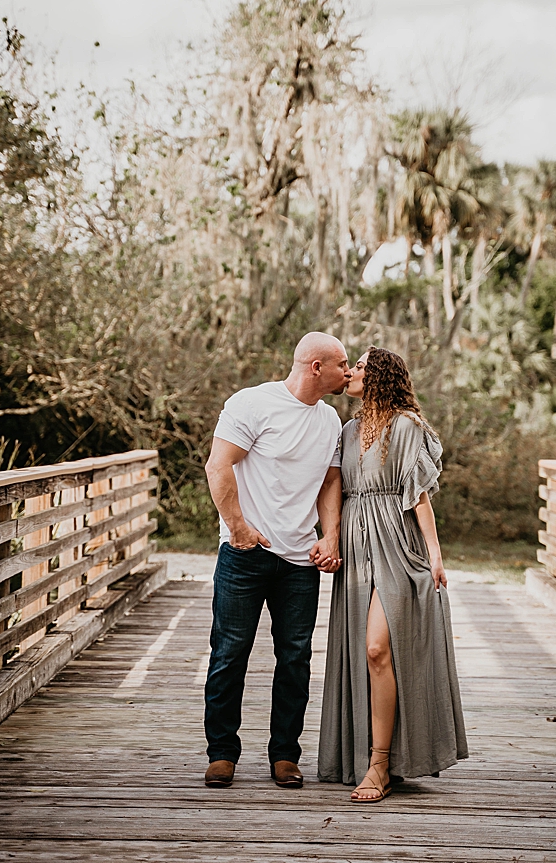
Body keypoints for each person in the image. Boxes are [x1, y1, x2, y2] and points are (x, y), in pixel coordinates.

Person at [318, 346, 467, 802]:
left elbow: (419, 496)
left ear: (379, 375)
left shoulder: (406, 427)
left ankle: (380, 766)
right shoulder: (346, 430)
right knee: (365, 655)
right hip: (357, 552)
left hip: (398, 547)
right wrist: (331, 539)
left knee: (378, 647)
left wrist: (435, 556)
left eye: (359, 366)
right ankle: (371, 756)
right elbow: (334, 491)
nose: (351, 373)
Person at [202, 332, 349, 789]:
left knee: (295, 659)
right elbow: (218, 465)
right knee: (229, 655)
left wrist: (330, 536)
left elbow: (329, 483)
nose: (349, 372)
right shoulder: (252, 404)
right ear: (316, 367)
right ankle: (222, 753)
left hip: (301, 562)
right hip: (245, 556)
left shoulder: (330, 422)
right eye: (342, 363)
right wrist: (239, 526)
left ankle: (285, 755)